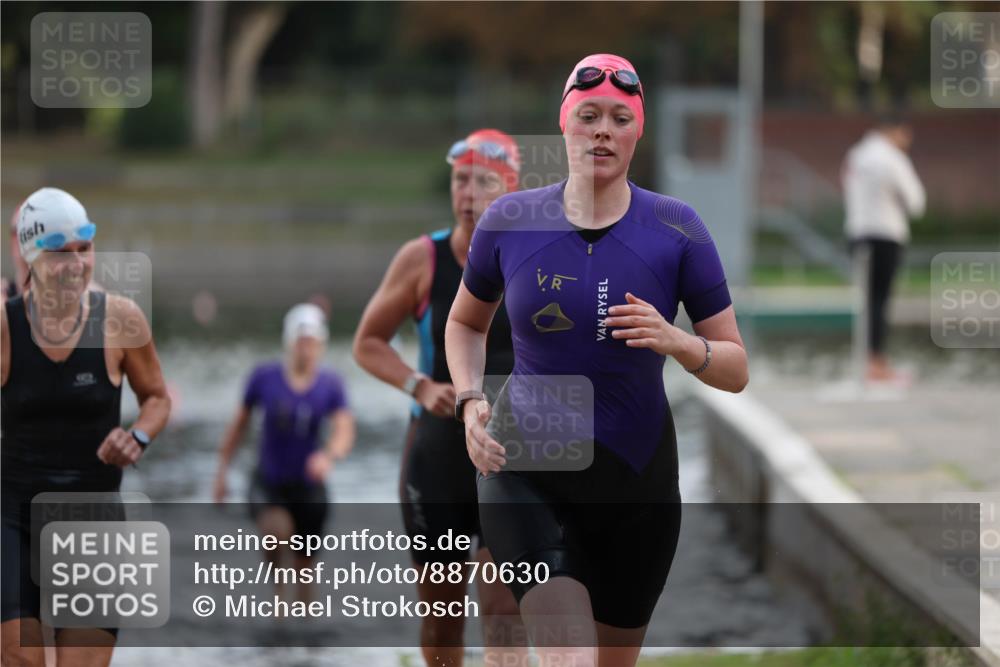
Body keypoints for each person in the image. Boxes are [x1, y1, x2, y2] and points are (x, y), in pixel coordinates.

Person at [445, 54, 749, 667]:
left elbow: (736, 369)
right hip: (523, 466)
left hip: (635, 484)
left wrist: (679, 341)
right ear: (565, 125)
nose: (602, 130)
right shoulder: (510, 220)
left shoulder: (677, 229)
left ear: (639, 131)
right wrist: (471, 399)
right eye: (589, 116)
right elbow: (464, 323)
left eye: (619, 118)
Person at [353, 129, 524, 666]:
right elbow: (367, 343)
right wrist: (419, 385)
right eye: (459, 180)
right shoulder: (422, 259)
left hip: (509, 459)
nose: (468, 194)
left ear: (511, 190)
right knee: (443, 621)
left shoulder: (534, 258)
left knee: (503, 612)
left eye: (483, 182)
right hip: (437, 458)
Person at [1, 187, 171, 666]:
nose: (76, 264)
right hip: (12, 516)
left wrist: (138, 435)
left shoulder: (119, 319)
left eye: (85, 248)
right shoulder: (5, 325)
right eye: (60, 252)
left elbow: (156, 397)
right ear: (31, 255)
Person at [214, 303, 355, 604]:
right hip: (269, 482)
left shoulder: (331, 385)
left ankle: (302, 623)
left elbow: (344, 430)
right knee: (275, 533)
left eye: (312, 342)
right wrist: (222, 472)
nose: (306, 349)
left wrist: (328, 456)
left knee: (305, 568)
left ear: (321, 344)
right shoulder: (264, 378)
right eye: (301, 341)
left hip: (309, 487)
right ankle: (279, 602)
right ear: (289, 342)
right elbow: (238, 426)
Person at [842, 113, 925, 383]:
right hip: (887, 234)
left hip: (857, 233)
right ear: (897, 130)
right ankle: (876, 362)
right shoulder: (892, 158)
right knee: (880, 300)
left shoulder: (856, 155)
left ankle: (867, 360)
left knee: (867, 300)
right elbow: (915, 202)